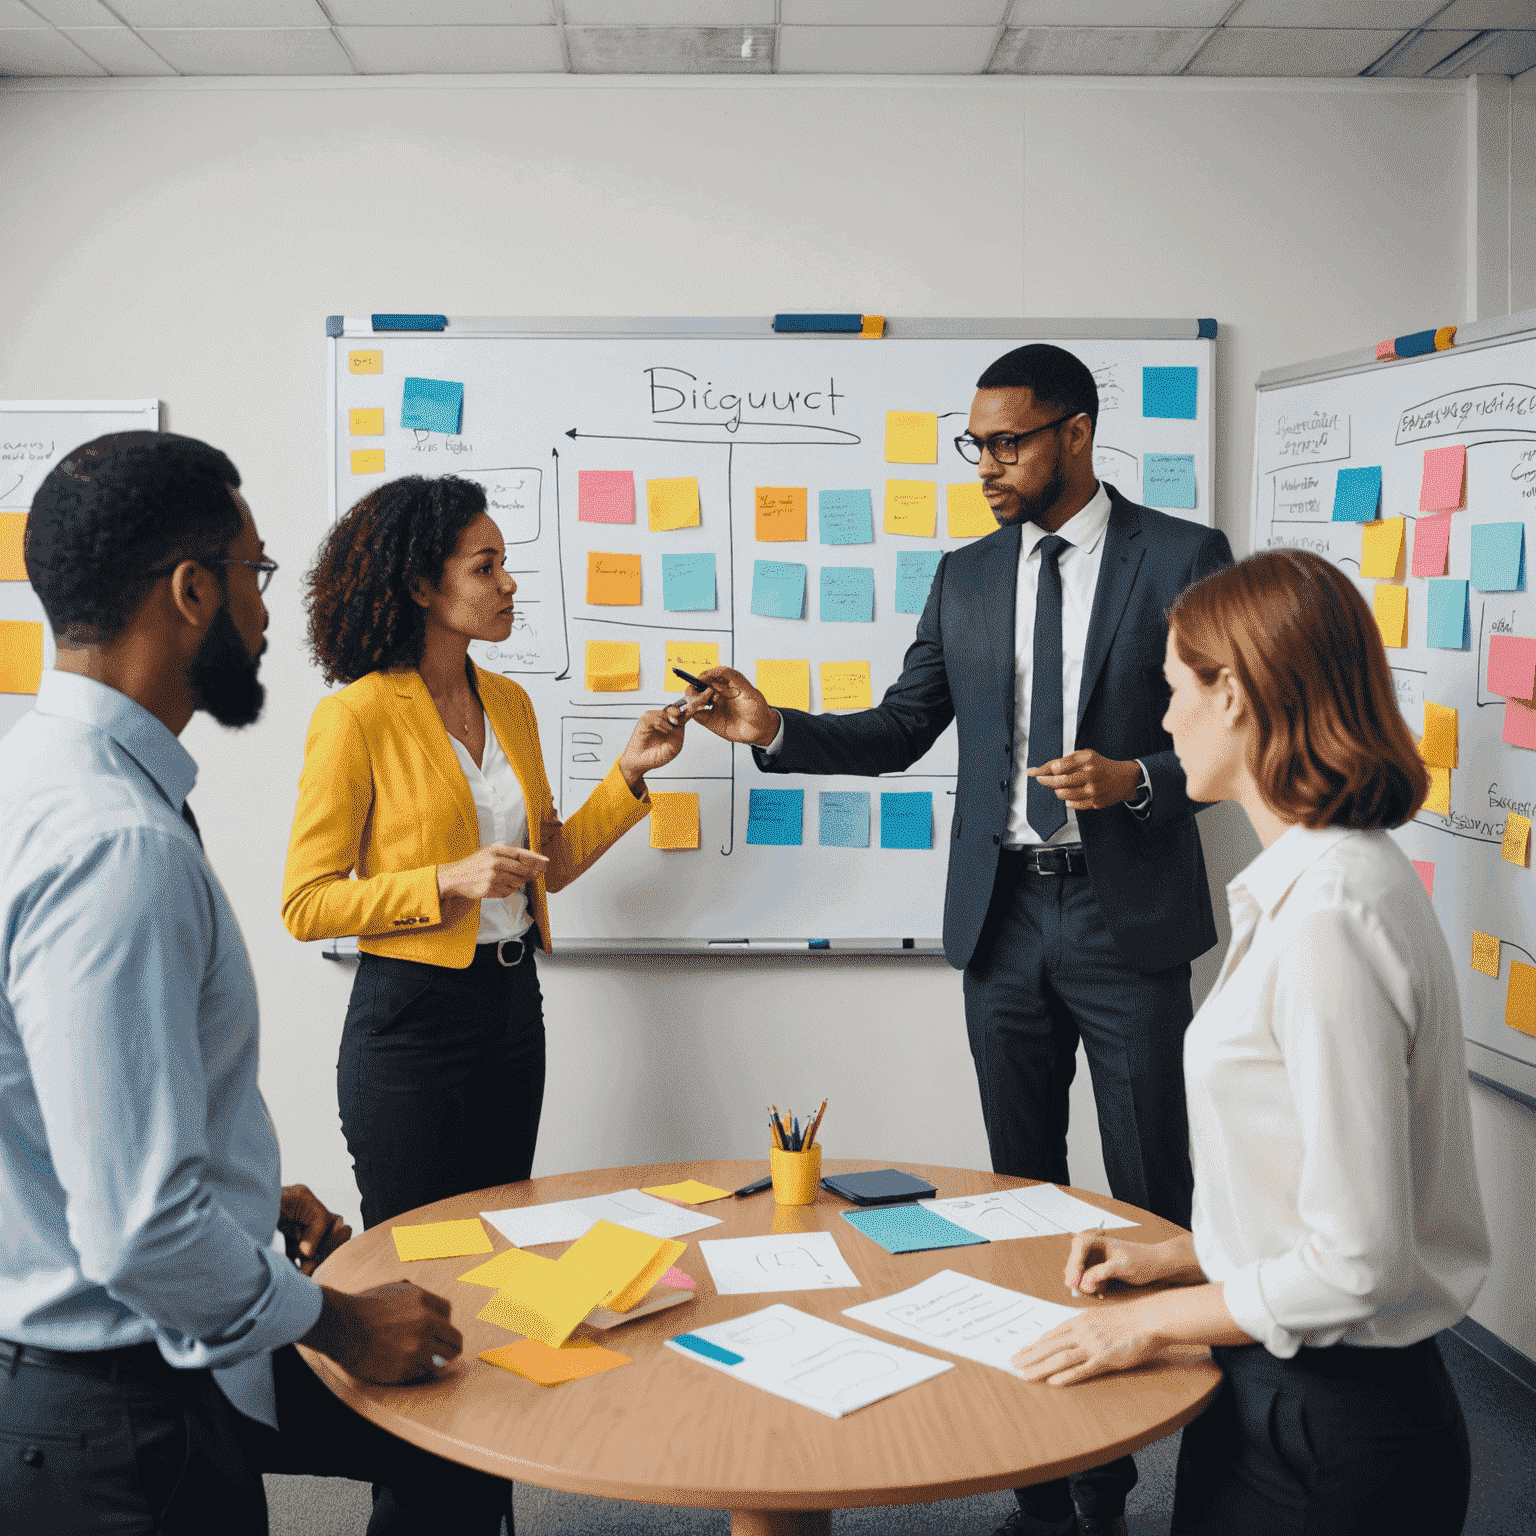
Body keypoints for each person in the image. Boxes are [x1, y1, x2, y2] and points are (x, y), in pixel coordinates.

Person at [681, 343, 1232, 1536]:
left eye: (1008, 441)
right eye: (974, 442)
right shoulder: (967, 574)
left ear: (1076, 435)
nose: (985, 464)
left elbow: (1239, 728)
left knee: (1154, 1202)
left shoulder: (1184, 558)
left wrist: (1137, 777)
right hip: (1003, 916)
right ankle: (1055, 1483)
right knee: (1021, 1204)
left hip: (1123, 913)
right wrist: (776, 727)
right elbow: (899, 726)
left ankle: (1199, 1475)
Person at [0, 432, 515, 1534]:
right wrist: (332, 1321)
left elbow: (56, 1086)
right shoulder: (115, 845)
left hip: (89, 1364)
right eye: (257, 575)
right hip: (117, 1412)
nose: (272, 613)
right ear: (194, 592)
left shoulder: (37, 776)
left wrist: (241, 1192)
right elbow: (138, 1232)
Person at [1012, 549, 1491, 1536]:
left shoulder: (1330, 913)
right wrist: (1185, 1258)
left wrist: (1140, 1324)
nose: (1165, 718)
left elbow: (1358, 1265)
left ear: (1232, 693)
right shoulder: (1321, 881)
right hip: (1278, 1394)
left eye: (1175, 688)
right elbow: (1321, 1200)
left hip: (1333, 1428)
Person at [283, 474, 687, 1233]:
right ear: (419, 586)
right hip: (409, 1019)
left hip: (511, 1009)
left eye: (503, 563)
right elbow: (306, 904)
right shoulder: (355, 716)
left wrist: (629, 770)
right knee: (419, 1254)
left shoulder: (510, 703)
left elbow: (549, 866)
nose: (507, 584)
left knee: (504, 1240)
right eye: (484, 566)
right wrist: (447, 881)